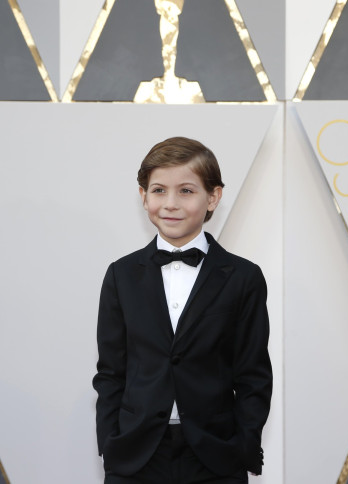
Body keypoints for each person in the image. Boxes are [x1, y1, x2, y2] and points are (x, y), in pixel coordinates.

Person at [93, 137, 272, 483]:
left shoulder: (243, 277)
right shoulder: (122, 274)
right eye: (159, 190)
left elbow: (253, 375)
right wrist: (110, 442)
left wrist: (242, 444)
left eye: (186, 191)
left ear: (213, 197)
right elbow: (111, 371)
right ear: (143, 196)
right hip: (136, 456)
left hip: (215, 456)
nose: (170, 204)